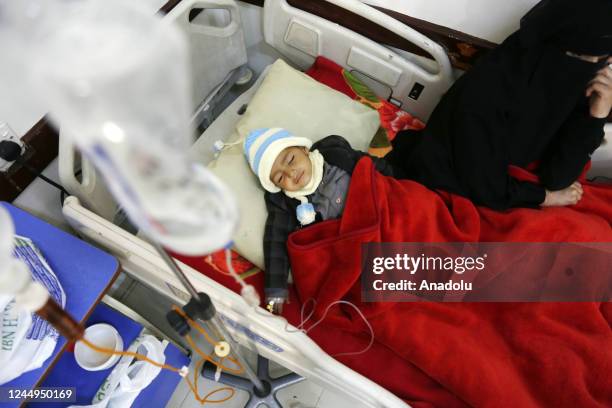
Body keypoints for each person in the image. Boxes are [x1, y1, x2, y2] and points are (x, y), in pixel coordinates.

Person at [385, 0, 612, 210]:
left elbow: (558, 177)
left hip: (515, 187)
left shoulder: (582, 82)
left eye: (603, 60)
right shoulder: (490, 88)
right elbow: (480, 182)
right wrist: (545, 197)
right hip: (460, 185)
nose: (591, 68)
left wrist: (597, 115)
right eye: (578, 55)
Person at [243, 128, 397, 313]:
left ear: (304, 149)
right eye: (280, 177)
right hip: (356, 245)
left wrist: (399, 185)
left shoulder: (334, 155)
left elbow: (373, 168)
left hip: (385, 211)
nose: (291, 173)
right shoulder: (287, 203)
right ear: (276, 187)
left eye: (291, 159)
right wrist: (275, 291)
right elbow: (275, 242)